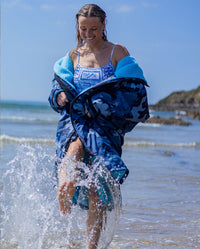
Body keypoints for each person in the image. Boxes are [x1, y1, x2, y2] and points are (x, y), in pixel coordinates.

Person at [49, 4, 149, 249]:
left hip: (105, 126)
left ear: (104, 25)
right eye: (83, 28)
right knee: (76, 145)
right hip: (75, 122)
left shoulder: (117, 51)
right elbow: (57, 88)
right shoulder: (73, 55)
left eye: (94, 28)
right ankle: (65, 187)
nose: (88, 33)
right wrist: (60, 97)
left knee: (97, 189)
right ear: (78, 27)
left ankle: (91, 246)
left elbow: (132, 91)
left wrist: (96, 106)